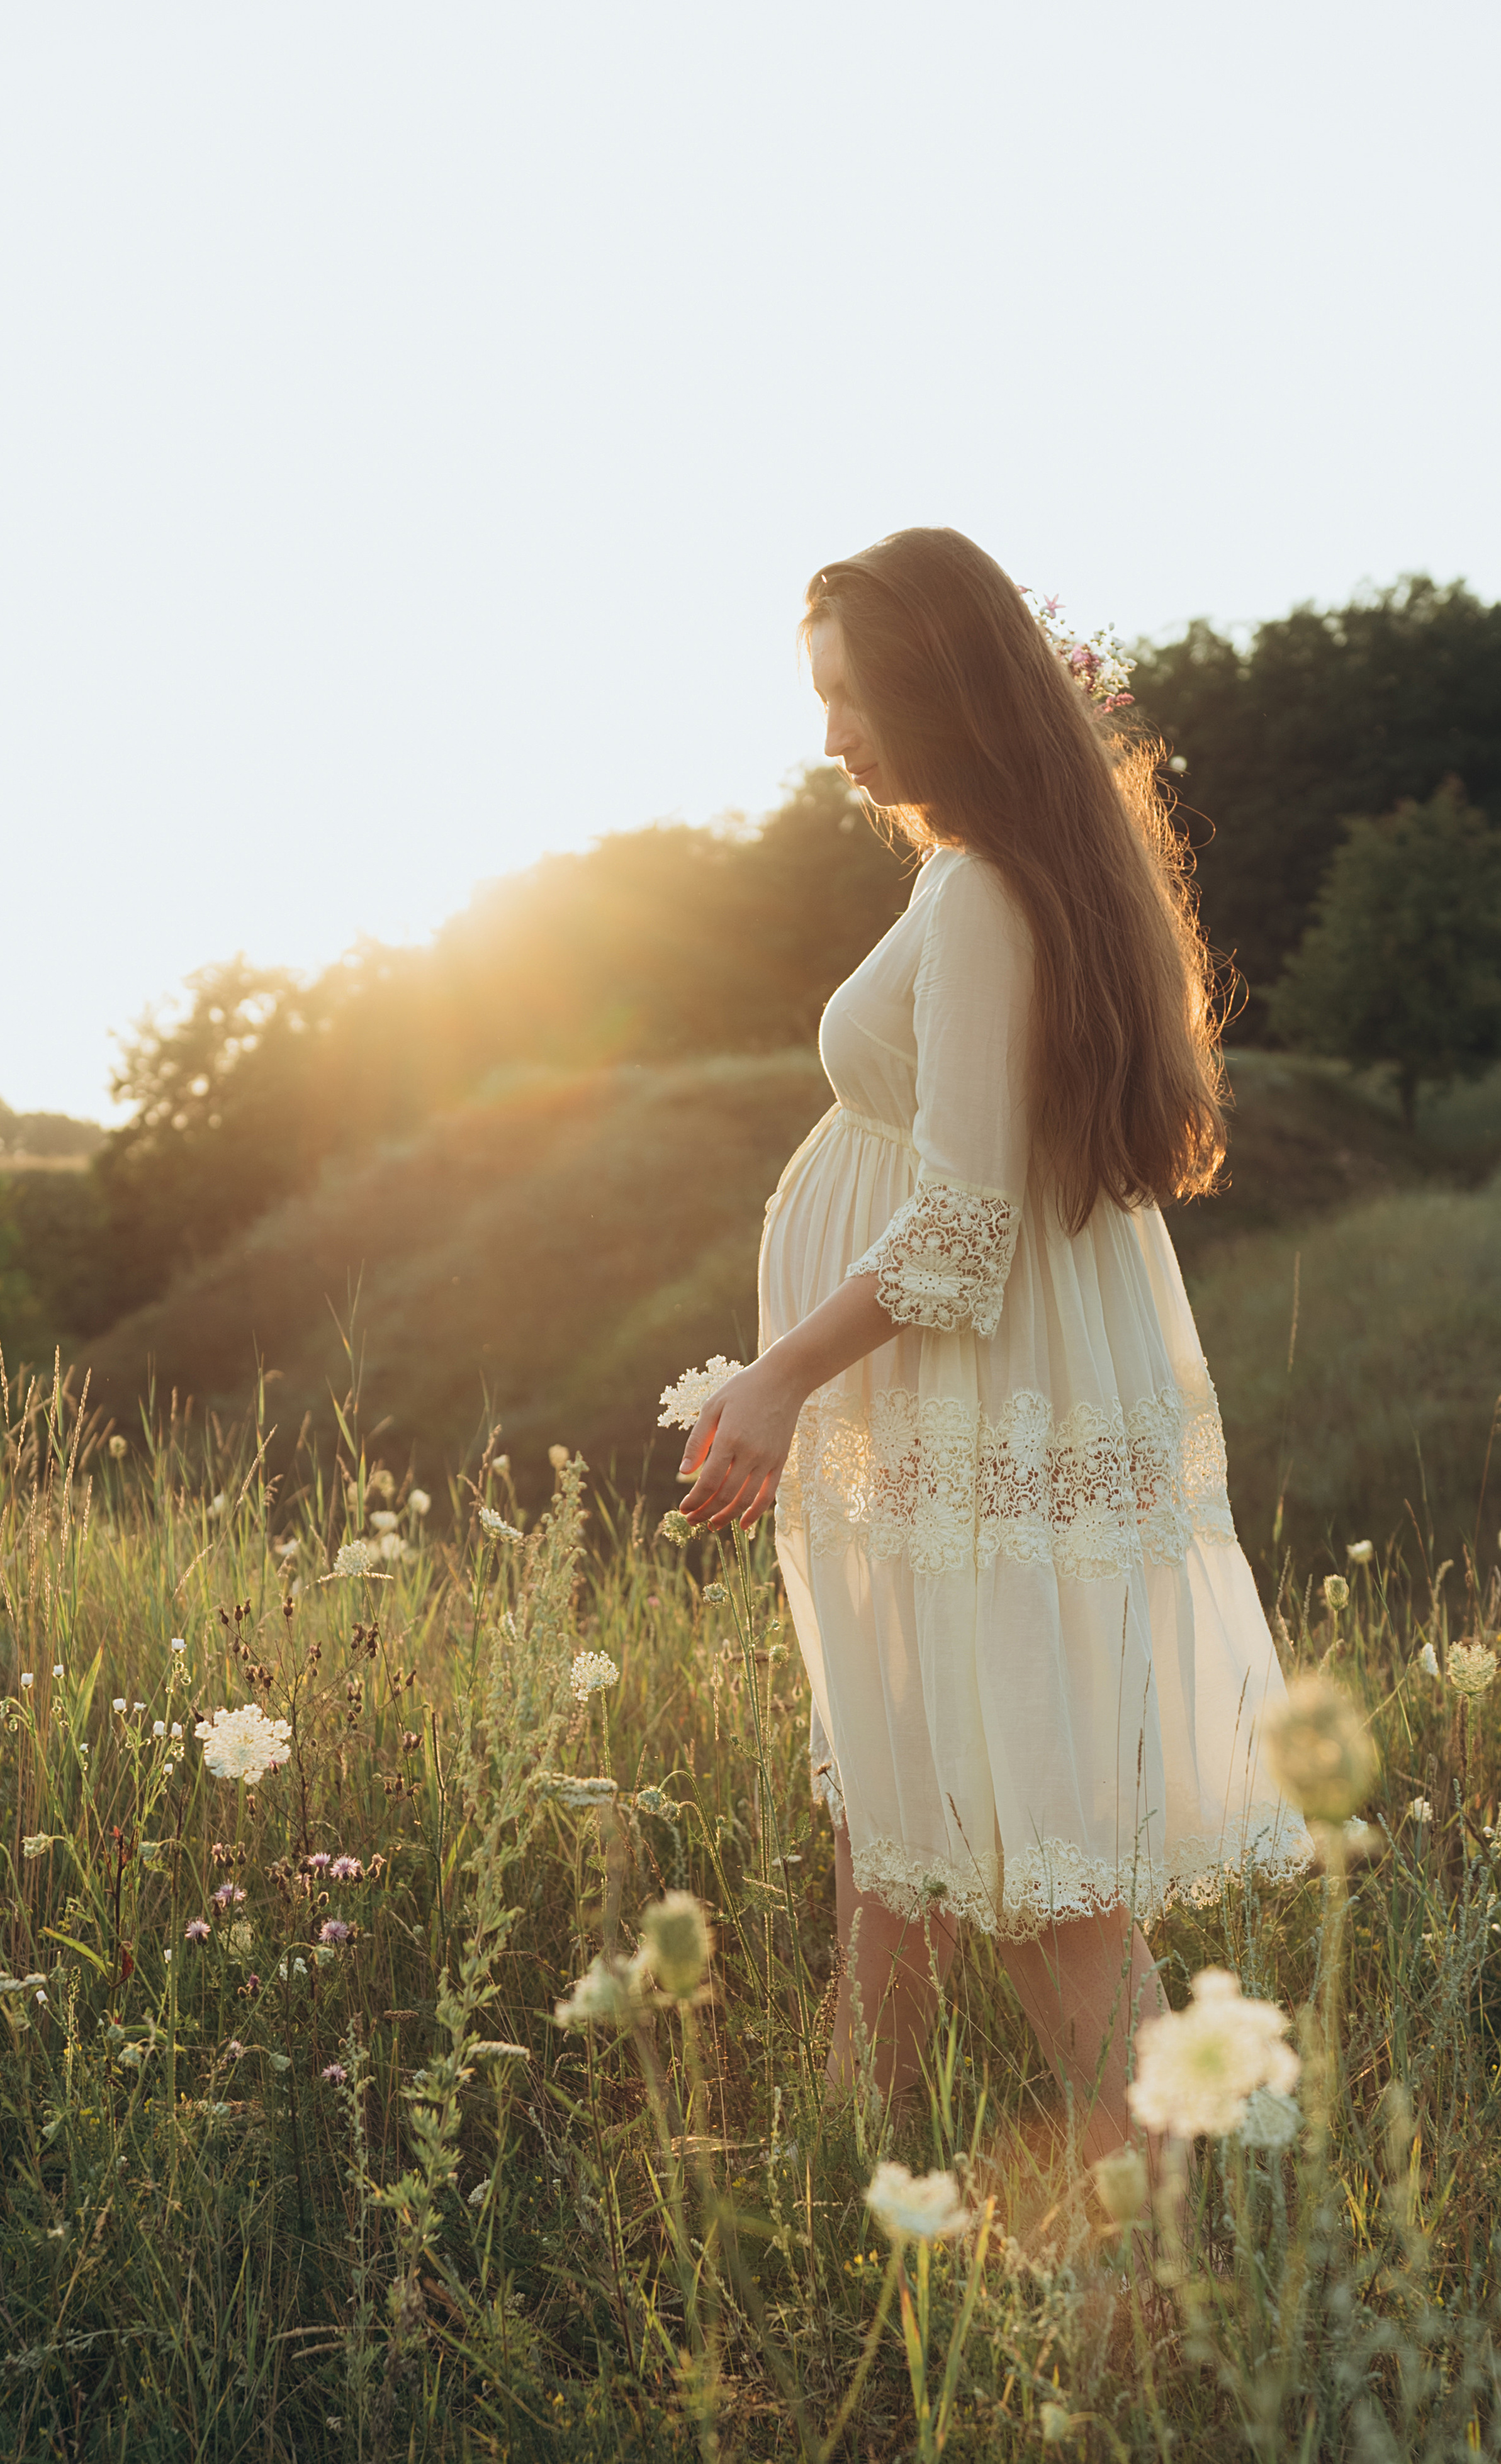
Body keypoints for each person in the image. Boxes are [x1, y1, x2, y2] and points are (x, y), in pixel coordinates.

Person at [674, 528, 1307, 2166]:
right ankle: (839, 2162)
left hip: (970, 1403)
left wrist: (778, 1374)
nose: (831, 738)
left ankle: (1161, 2277)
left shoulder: (979, 892)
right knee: (907, 1811)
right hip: (966, 1407)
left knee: (1041, 1865)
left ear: (941, 688)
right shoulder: (1005, 863)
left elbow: (957, 1228)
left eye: (851, 696)